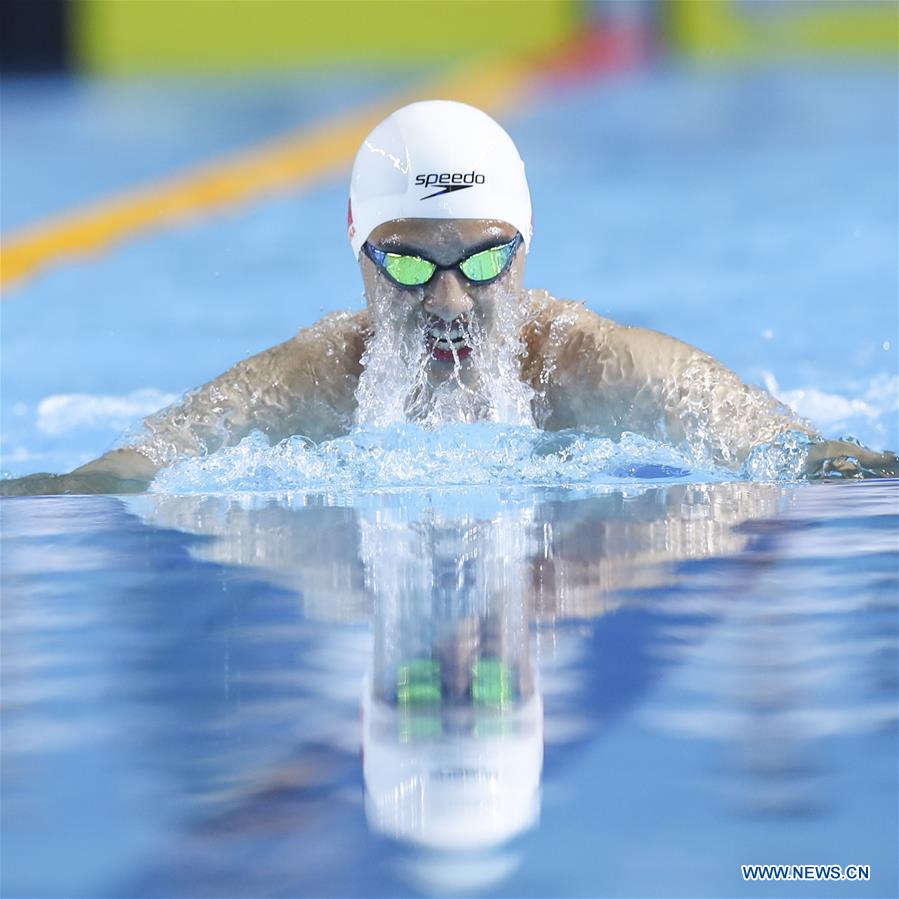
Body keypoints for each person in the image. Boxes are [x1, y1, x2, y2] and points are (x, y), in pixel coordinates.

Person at [2, 100, 896, 496]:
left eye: (481, 261)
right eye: (407, 264)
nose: (449, 303)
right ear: (358, 256)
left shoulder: (607, 369)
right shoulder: (313, 380)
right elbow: (125, 471)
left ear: (525, 249)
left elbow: (803, 457)